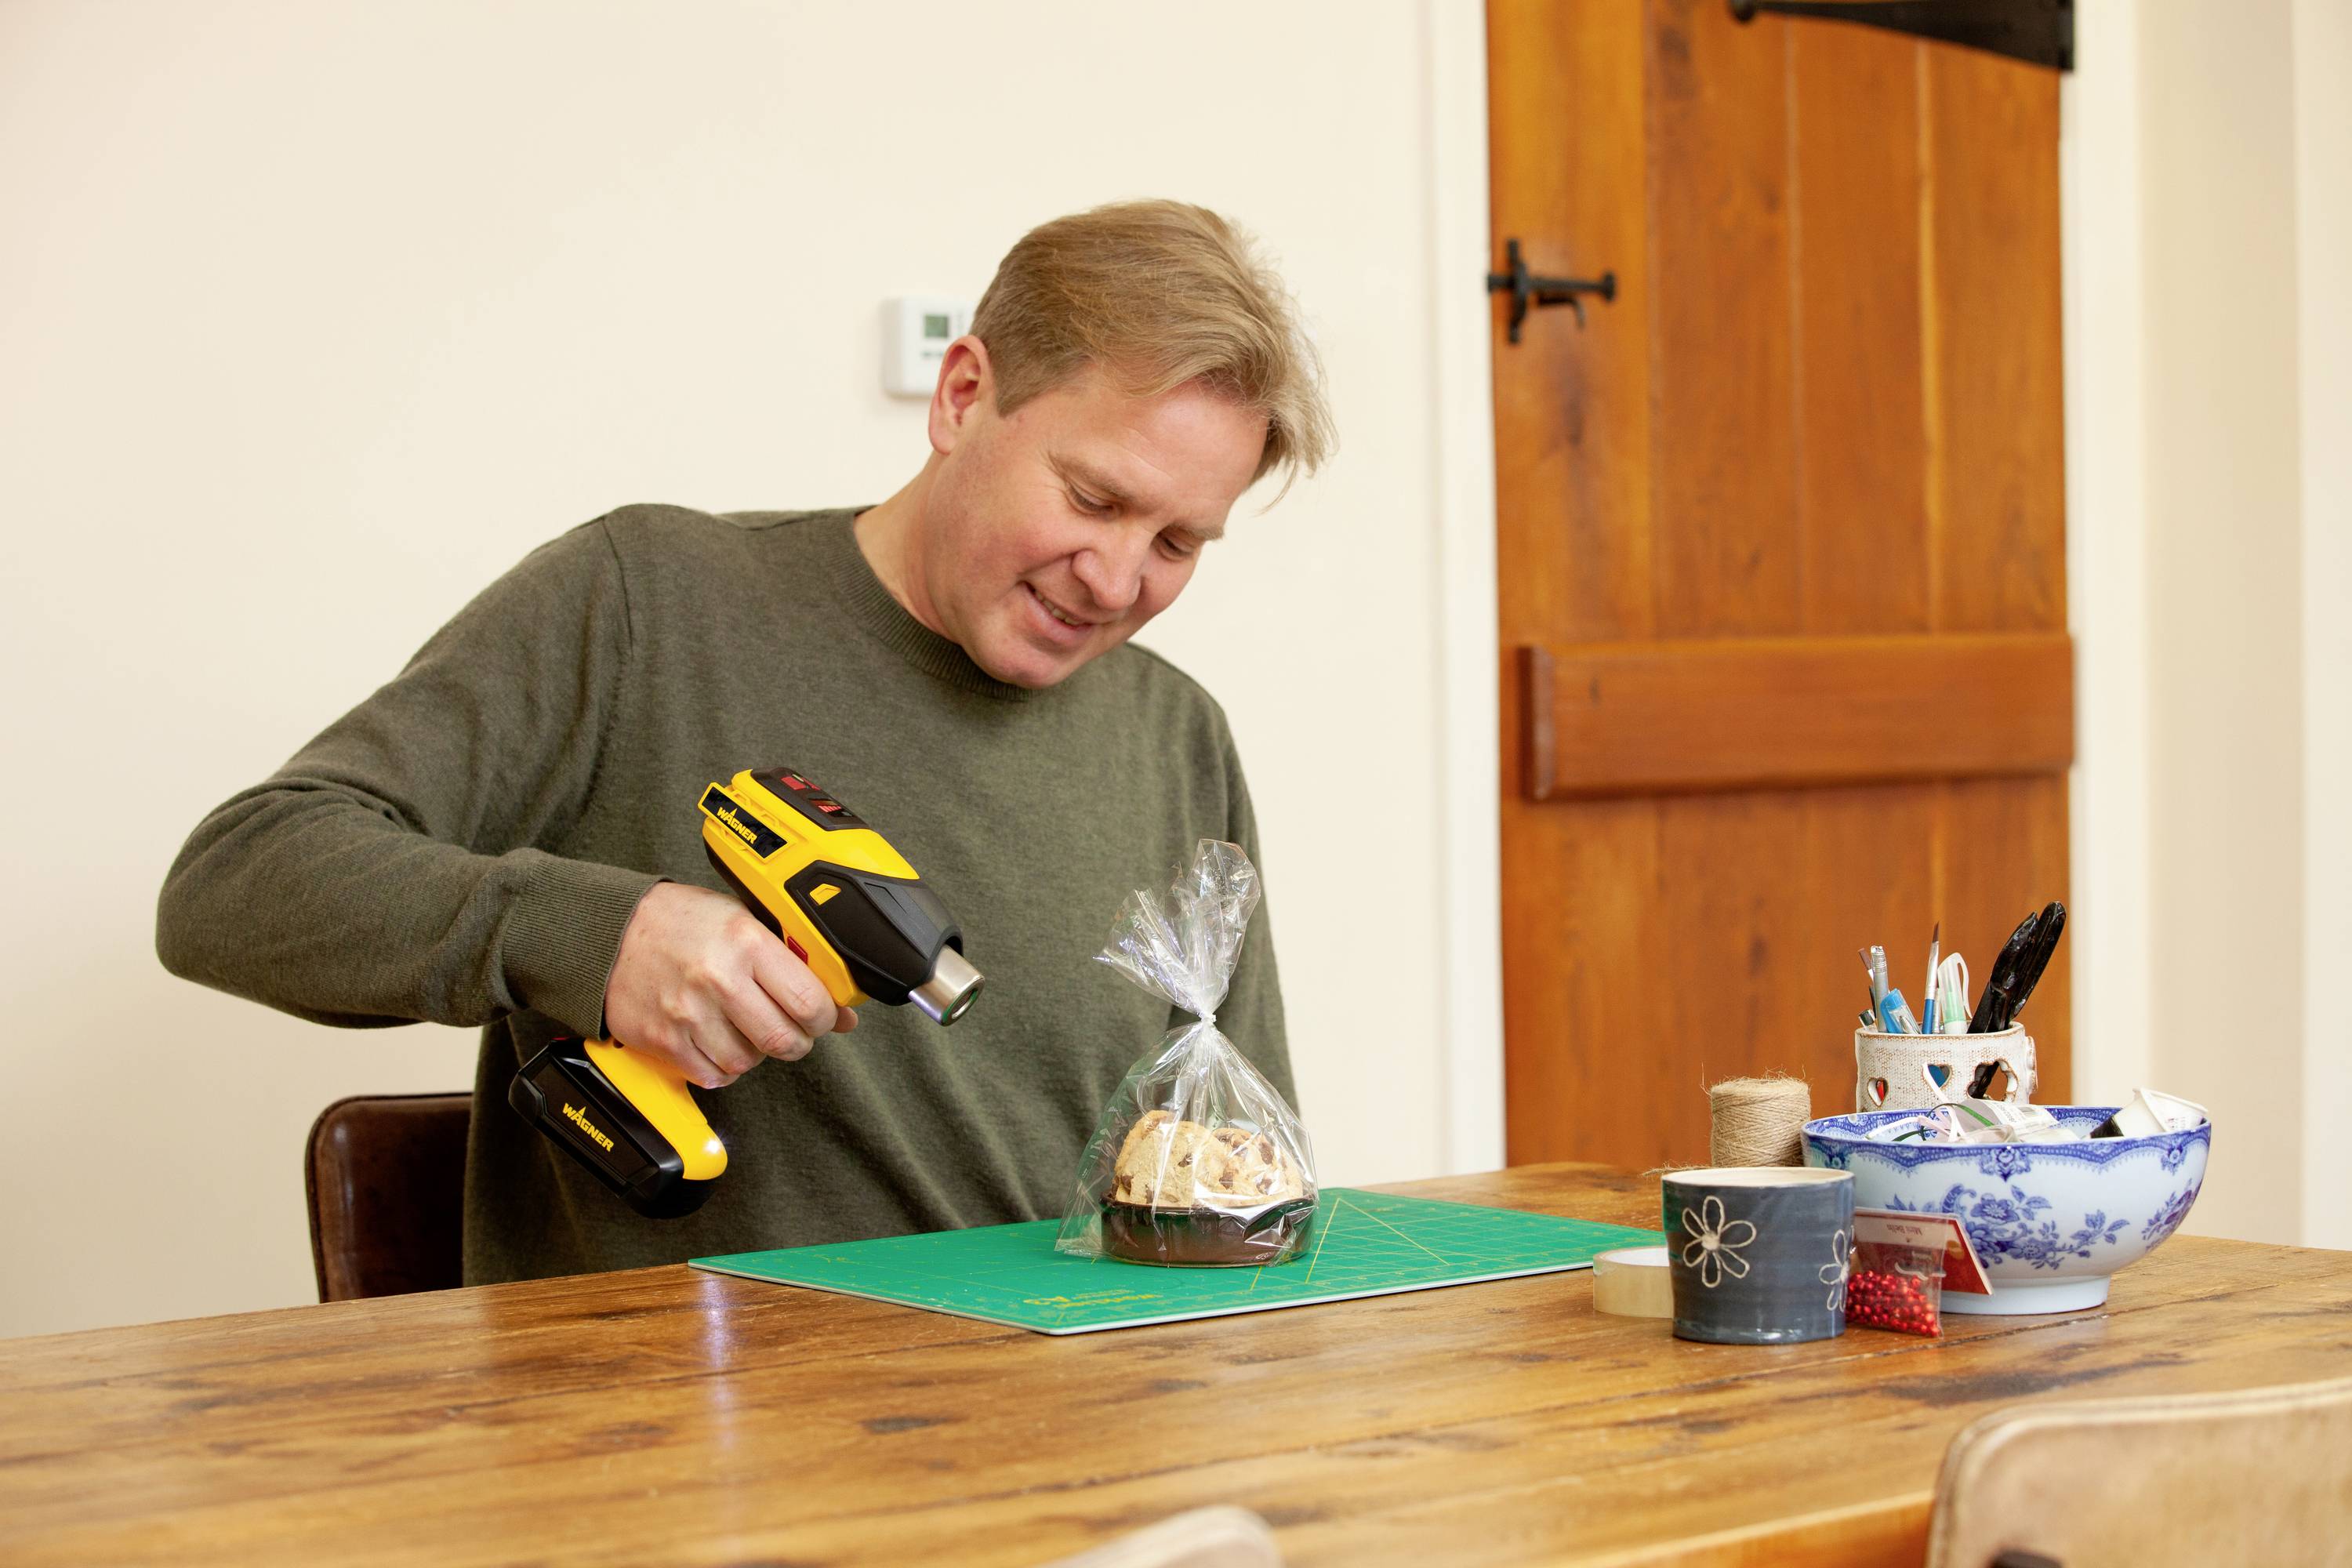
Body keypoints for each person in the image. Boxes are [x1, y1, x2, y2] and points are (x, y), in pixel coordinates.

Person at [155, 199, 1336, 1283]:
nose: (1118, 581)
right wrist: (596, 938)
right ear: (962, 394)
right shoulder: (648, 605)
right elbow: (232, 885)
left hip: (1063, 1420)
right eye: (1092, 499)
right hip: (676, 1423)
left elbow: (1248, 1170)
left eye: (1178, 544)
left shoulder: (1177, 736)